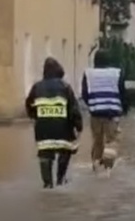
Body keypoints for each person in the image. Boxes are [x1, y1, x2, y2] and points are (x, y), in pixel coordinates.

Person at [25, 57, 83, 188]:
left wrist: (37, 117)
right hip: (63, 131)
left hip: (43, 131)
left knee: (45, 156)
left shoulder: (36, 87)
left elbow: (29, 106)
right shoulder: (65, 87)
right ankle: (60, 180)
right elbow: (74, 110)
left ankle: (47, 184)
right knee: (65, 152)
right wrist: (78, 127)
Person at [81, 49, 128, 172]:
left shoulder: (88, 74)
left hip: (95, 113)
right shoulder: (117, 73)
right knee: (112, 140)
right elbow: (122, 92)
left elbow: (84, 94)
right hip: (112, 113)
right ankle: (107, 168)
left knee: (97, 140)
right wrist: (124, 108)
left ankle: (96, 164)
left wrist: (93, 105)